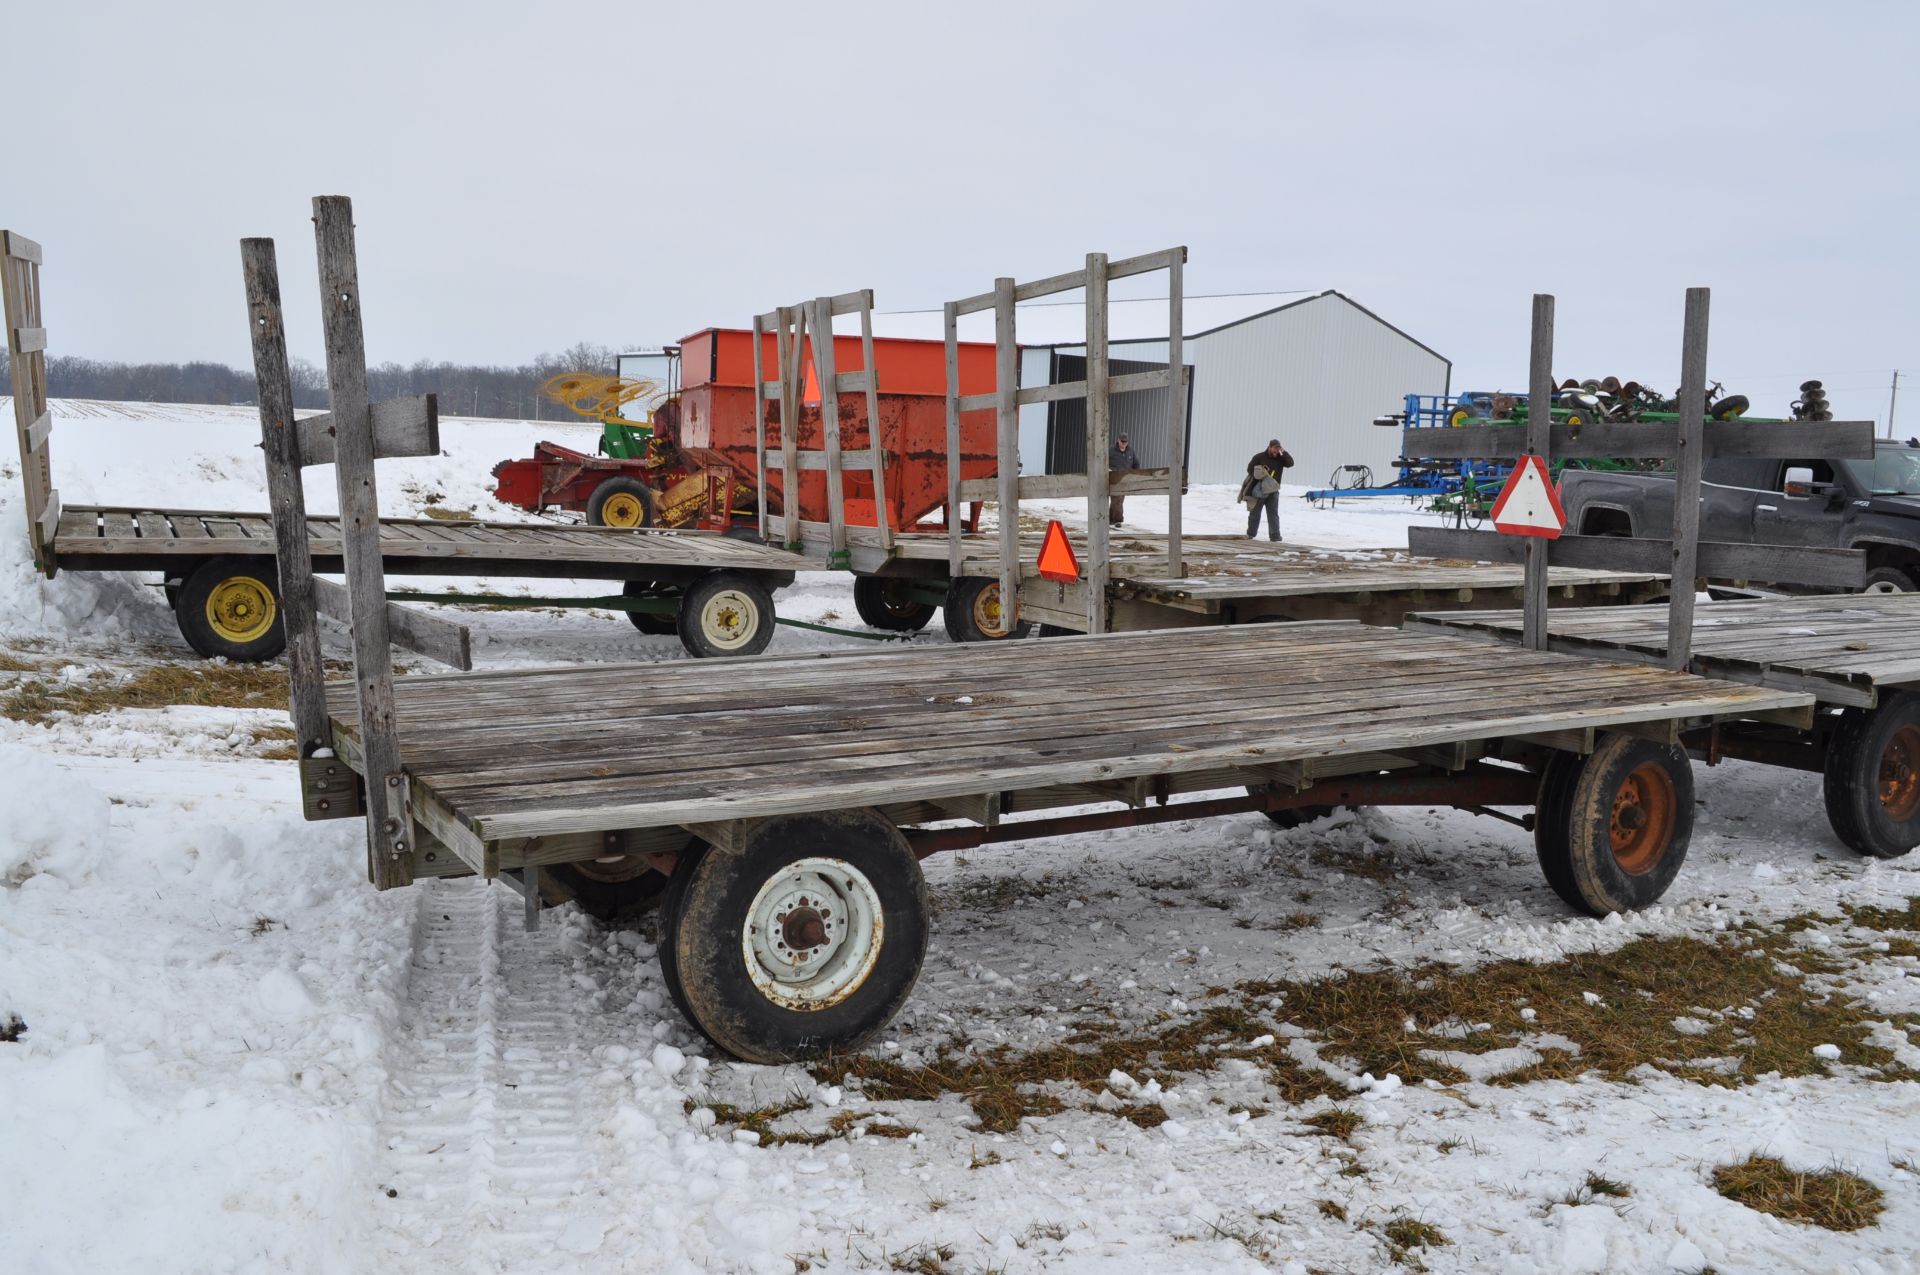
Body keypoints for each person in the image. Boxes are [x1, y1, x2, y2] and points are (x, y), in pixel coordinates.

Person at [1240, 438, 1293, 541]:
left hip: (1273, 491)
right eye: (1274, 448)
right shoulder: (1259, 457)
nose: (1276, 451)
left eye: (1278, 449)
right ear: (1269, 447)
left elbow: (1290, 463)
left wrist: (1284, 452)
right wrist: (1259, 475)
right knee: (1255, 513)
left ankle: (1275, 536)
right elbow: (1250, 469)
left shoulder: (1281, 459)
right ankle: (1251, 534)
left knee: (1273, 514)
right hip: (1259, 490)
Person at [1107, 432, 1140, 525]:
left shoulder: (1130, 451)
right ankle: (1118, 520)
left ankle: (1110, 519)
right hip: (1114, 479)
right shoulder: (1111, 451)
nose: (1124, 443)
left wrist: (1135, 474)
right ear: (1118, 440)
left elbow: (1136, 464)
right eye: (1122, 441)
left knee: (1118, 500)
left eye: (1126, 442)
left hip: (1125, 480)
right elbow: (1102, 461)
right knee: (1117, 499)